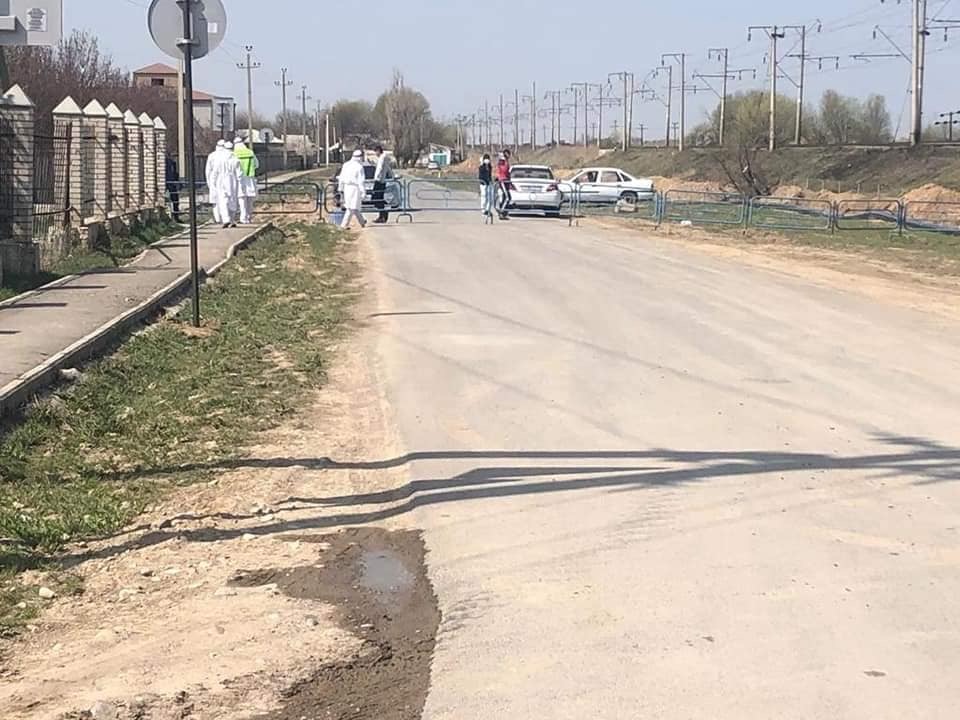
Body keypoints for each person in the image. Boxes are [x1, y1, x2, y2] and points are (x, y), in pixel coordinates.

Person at [338, 149, 368, 229]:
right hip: (355, 188)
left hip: (347, 188)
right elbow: (361, 181)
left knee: (354, 206)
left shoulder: (346, 165)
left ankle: (362, 221)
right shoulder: (359, 167)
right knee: (351, 207)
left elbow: (341, 178)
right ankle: (344, 225)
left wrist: (340, 188)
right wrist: (363, 192)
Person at [214, 141, 242, 228]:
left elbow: (215, 172)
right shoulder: (235, 159)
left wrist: (213, 182)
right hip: (232, 180)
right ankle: (232, 219)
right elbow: (239, 173)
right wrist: (240, 183)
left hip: (221, 180)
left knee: (223, 200)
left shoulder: (219, 159)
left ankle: (226, 219)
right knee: (232, 200)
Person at [233, 136, 259, 224]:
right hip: (249, 177)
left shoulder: (234, 154)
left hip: (239, 179)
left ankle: (243, 217)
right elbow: (256, 164)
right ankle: (249, 217)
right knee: (250, 199)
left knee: (241, 198)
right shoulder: (250, 152)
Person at [372, 145, 394, 224]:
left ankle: (383, 214)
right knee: (378, 198)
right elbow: (388, 168)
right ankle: (382, 215)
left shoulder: (382, 158)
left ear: (378, 151)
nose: (375, 154)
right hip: (382, 180)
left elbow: (380, 168)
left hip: (379, 180)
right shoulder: (385, 158)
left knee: (375, 199)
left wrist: (376, 177)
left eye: (376, 152)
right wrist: (392, 175)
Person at [205, 140, 225, 224]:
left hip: (214, 180)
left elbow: (208, 170)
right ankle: (225, 218)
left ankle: (217, 219)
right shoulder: (227, 155)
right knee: (224, 199)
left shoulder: (212, 155)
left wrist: (209, 182)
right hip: (224, 180)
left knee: (215, 201)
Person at [496, 149, 512, 220]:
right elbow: (503, 170)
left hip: (506, 181)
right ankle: (501, 211)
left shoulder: (506, 161)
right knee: (507, 197)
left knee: (506, 197)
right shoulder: (502, 161)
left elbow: (507, 171)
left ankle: (504, 213)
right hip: (502, 180)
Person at [165, 152, 181, 222]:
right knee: (168, 200)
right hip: (165, 183)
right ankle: (171, 217)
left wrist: (176, 181)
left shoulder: (172, 163)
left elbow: (175, 173)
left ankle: (176, 217)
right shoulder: (164, 162)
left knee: (175, 200)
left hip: (172, 183)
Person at [478, 153, 495, 218]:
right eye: (486, 159)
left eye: (488, 159)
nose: (487, 160)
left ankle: (488, 210)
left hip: (489, 184)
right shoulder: (481, 167)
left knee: (489, 197)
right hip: (483, 184)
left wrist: (490, 181)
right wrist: (482, 163)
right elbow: (480, 175)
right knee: (484, 197)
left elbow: (489, 175)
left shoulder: (490, 167)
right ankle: (483, 210)